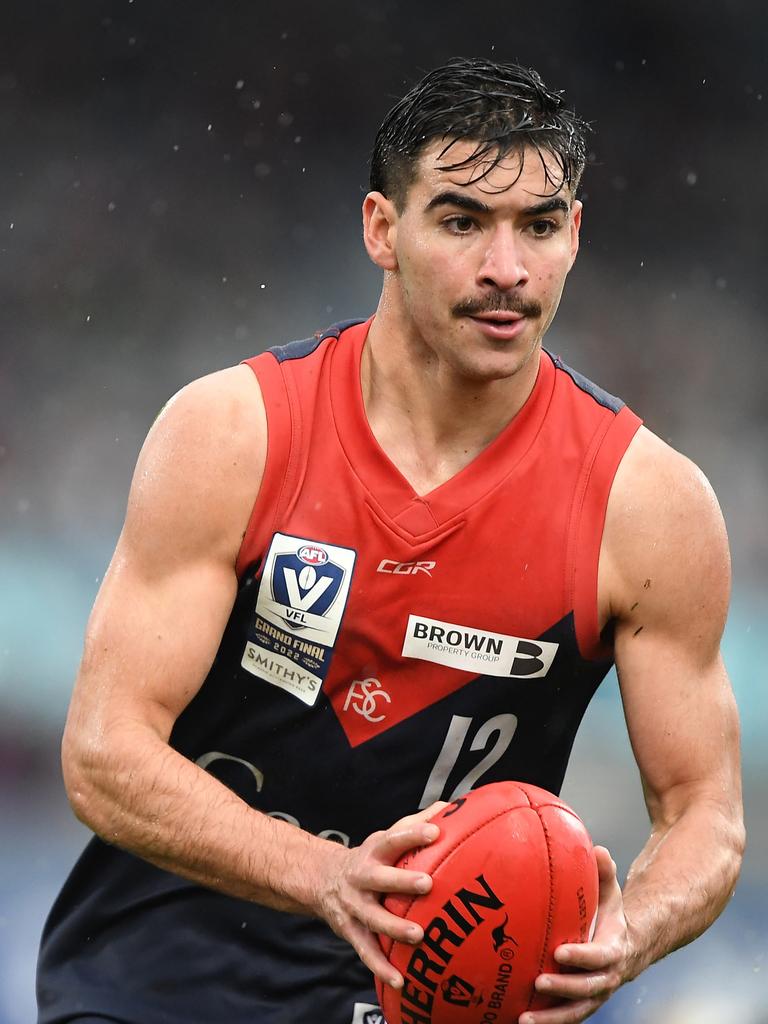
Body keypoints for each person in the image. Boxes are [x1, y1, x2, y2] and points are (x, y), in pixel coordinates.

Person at [37, 57, 744, 1024]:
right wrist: (325, 874)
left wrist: (630, 933)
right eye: (461, 221)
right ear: (382, 229)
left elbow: (706, 812)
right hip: (154, 989)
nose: (507, 268)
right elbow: (104, 753)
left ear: (573, 236)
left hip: (440, 1000)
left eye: (538, 226)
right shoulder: (235, 435)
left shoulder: (648, 505)